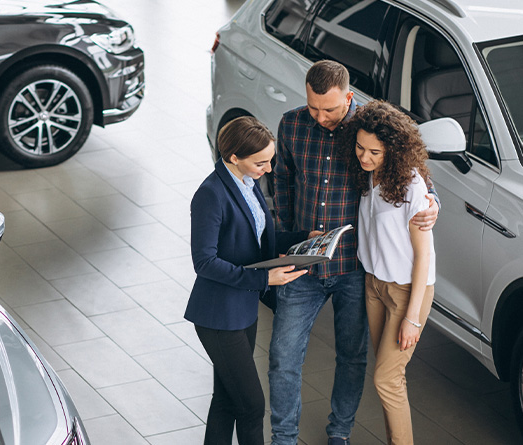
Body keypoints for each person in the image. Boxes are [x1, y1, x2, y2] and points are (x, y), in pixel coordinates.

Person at [268, 60, 439, 445]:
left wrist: (433, 203)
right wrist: (287, 236)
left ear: (349, 97)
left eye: (329, 109)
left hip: (353, 269)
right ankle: (283, 438)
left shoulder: (371, 132)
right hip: (303, 265)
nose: (320, 116)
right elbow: (282, 179)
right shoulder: (293, 125)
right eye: (313, 107)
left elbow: (414, 178)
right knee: (283, 357)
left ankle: (339, 434)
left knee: (353, 357)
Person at [185, 116, 318, 444]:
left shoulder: (247, 183)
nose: (269, 169)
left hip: (242, 309)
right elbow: (204, 262)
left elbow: (260, 238)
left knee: (227, 399)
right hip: (218, 316)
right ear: (233, 157)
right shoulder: (210, 194)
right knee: (252, 405)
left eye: (270, 160)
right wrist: (264, 278)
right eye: (261, 162)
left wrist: (305, 237)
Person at [342, 100, 436, 445]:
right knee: (391, 378)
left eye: (374, 152)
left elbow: (424, 257)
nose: (364, 157)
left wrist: (413, 318)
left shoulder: (412, 187)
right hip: (374, 286)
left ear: (393, 152)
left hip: (407, 292)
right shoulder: (367, 175)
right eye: (360, 147)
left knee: (386, 378)